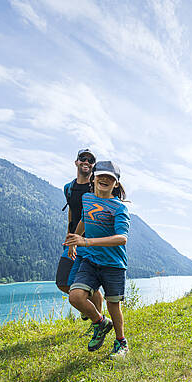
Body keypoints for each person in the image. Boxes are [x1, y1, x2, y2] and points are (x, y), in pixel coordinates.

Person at [64, 160, 131, 359]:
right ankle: (101, 323)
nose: (104, 179)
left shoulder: (119, 208)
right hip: (90, 261)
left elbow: (122, 238)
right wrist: (74, 241)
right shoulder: (87, 199)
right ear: (94, 177)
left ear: (116, 184)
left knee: (113, 305)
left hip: (113, 265)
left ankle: (121, 343)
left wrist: (86, 242)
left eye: (110, 178)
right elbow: (85, 219)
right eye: (101, 175)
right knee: (75, 296)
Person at [55, 148, 103, 332]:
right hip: (74, 240)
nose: (86, 162)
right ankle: (91, 309)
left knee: (91, 285)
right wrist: (69, 239)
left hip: (91, 243)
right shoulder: (69, 188)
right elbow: (71, 214)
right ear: (76, 162)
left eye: (90, 160)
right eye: (83, 158)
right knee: (63, 282)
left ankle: (97, 323)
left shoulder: (96, 187)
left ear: (93, 166)